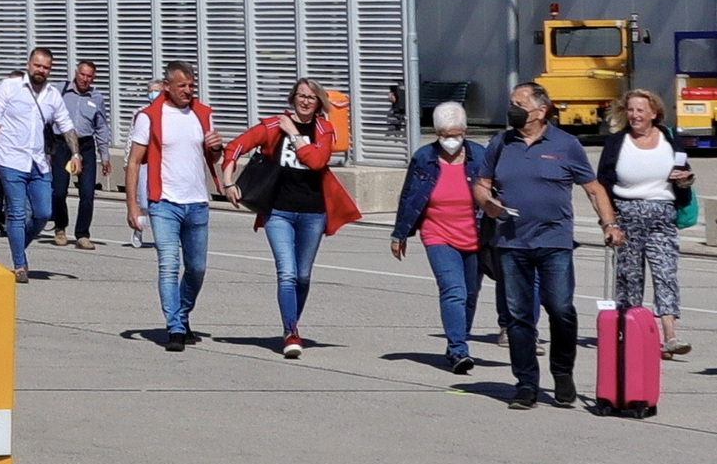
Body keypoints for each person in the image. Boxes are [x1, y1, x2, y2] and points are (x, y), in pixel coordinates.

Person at [486, 81, 618, 409]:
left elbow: (594, 188)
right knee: (518, 316)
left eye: (519, 104)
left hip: (554, 242)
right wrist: (487, 203)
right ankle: (526, 384)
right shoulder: (500, 143)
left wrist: (610, 224)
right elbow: (481, 184)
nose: (512, 110)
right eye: (511, 103)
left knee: (560, 309)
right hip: (511, 243)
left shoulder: (566, 144)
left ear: (541, 110)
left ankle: (562, 373)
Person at [216, 79, 358, 357]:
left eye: (311, 98)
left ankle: (292, 323)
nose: (305, 101)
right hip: (278, 211)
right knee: (287, 273)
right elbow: (236, 146)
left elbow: (317, 161)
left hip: (312, 212)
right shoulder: (272, 126)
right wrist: (228, 180)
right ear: (292, 98)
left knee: (303, 276)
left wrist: (294, 133)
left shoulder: (323, 129)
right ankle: (291, 331)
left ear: (319, 103)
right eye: (300, 96)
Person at [125, 60, 223, 348]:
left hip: (196, 202)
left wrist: (217, 148)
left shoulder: (202, 114)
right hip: (164, 203)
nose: (188, 91)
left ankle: (182, 312)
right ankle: (175, 327)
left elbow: (211, 157)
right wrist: (133, 206)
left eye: (191, 85)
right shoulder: (149, 117)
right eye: (181, 86)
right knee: (169, 265)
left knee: (197, 268)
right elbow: (132, 163)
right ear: (167, 86)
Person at [389, 101, 492, 375]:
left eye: (456, 133)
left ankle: (457, 340)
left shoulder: (481, 157)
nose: (451, 140)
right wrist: (400, 233)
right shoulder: (424, 158)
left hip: (476, 235)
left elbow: (497, 193)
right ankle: (459, 350)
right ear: (436, 133)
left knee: (470, 294)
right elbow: (409, 196)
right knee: (453, 291)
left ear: (466, 130)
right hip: (438, 234)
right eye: (445, 135)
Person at [596, 89, 693, 360]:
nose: (635, 115)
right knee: (629, 278)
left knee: (666, 274)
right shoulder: (617, 142)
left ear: (654, 113)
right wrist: (608, 223)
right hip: (626, 215)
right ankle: (630, 331)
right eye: (631, 110)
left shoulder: (670, 140)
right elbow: (602, 183)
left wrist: (685, 179)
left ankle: (670, 335)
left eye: (641, 110)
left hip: (662, 214)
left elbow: (683, 173)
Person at [0, 47, 62, 281]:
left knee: (43, 212)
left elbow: (65, 124)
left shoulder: (52, 94)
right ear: (29, 64)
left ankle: (18, 244)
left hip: (38, 162)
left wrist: (76, 154)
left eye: (46, 67)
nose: (41, 70)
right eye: (37, 65)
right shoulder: (10, 87)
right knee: (17, 212)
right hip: (10, 159)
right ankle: (20, 264)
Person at [55, 60, 108, 249]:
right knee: (59, 191)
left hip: (86, 145)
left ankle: (82, 234)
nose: (85, 79)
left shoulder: (96, 98)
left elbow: (101, 127)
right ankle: (60, 227)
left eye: (89, 76)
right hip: (61, 145)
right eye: (82, 74)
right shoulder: (60, 91)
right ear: (76, 73)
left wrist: (105, 155)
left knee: (87, 193)